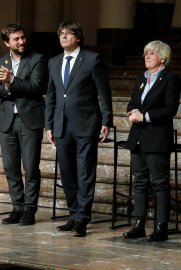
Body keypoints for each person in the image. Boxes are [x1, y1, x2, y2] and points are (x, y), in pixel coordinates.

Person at [45, 21, 113, 237]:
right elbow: (52, 96)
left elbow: (104, 92)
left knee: (85, 173)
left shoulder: (91, 59)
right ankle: (73, 215)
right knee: (67, 175)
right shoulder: (54, 62)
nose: (64, 36)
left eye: (69, 33)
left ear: (78, 38)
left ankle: (82, 218)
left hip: (86, 124)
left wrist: (107, 120)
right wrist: (49, 125)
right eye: (61, 33)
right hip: (61, 126)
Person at [123, 40, 181, 242]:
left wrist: (144, 116)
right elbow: (132, 102)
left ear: (163, 58)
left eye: (152, 53)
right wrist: (132, 111)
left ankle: (160, 226)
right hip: (138, 137)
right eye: (146, 53)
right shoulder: (142, 78)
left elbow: (170, 109)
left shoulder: (170, 78)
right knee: (139, 183)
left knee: (159, 184)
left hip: (156, 138)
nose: (147, 56)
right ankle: (139, 223)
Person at [0, 23, 46, 226]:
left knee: (30, 167)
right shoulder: (2, 61)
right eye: (16, 39)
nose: (21, 42)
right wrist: (11, 87)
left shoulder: (37, 59)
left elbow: (36, 87)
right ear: (6, 42)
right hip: (7, 121)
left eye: (22, 37)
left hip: (30, 120)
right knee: (10, 168)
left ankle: (29, 209)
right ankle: (17, 207)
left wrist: (11, 81)